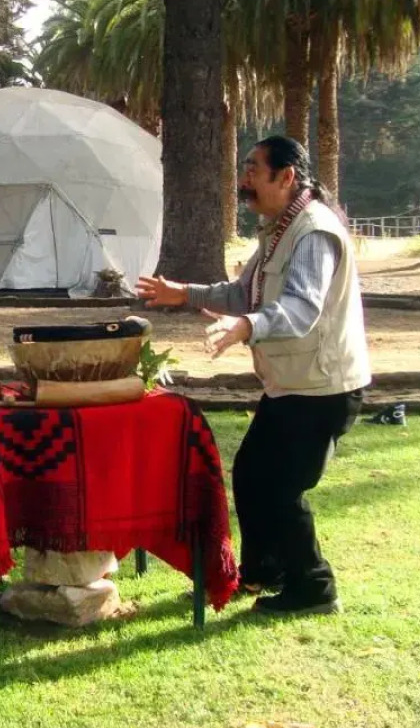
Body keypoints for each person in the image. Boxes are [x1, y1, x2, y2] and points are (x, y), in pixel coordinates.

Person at [136, 135, 371, 615]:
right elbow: (245, 295)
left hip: (323, 387)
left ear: (286, 177)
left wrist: (246, 328)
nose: (243, 180)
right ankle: (266, 570)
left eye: (253, 170)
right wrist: (184, 293)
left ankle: (315, 588)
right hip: (291, 385)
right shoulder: (278, 231)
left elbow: (301, 309)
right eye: (243, 168)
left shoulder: (313, 232)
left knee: (281, 488)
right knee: (250, 473)